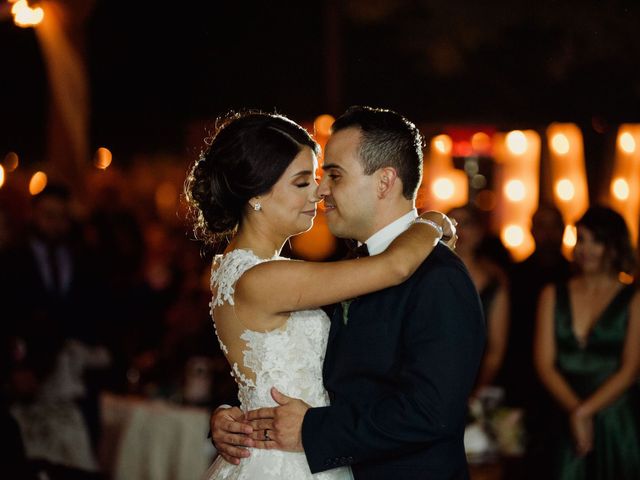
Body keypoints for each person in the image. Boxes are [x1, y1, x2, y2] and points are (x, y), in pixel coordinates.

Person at [210, 106, 486, 479]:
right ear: (256, 192)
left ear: (385, 182)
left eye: (332, 175)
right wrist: (433, 222)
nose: (321, 191)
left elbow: (431, 413)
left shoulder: (438, 277)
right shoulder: (344, 269)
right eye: (306, 180)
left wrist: (309, 429)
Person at [534, 205, 640, 479]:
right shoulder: (552, 294)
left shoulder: (634, 298)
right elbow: (544, 364)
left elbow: (630, 370)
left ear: (614, 245)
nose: (586, 248)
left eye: (596, 240)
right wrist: (574, 412)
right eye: (581, 239)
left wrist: (585, 413)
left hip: (618, 420)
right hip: (562, 413)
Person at [448, 205, 510, 397]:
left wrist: (476, 393)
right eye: (450, 225)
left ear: (479, 232)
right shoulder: (426, 275)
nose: (458, 231)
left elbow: (496, 349)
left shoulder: (494, 282)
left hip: (474, 379)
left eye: (465, 224)